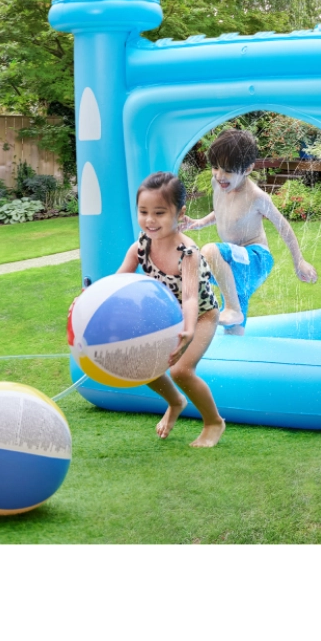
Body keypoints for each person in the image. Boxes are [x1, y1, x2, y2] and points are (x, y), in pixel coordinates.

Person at [115, 171, 225, 448]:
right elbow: (118, 284)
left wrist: (188, 329)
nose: (150, 220)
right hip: (166, 318)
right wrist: (91, 298)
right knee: (142, 365)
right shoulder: (141, 246)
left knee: (181, 371)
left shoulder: (188, 252)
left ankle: (214, 422)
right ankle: (175, 401)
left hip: (200, 315)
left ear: (180, 213)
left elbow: (189, 297)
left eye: (160, 212)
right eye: (143, 212)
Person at [181, 129, 318, 333]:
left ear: (247, 169)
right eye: (215, 167)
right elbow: (222, 212)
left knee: (209, 251)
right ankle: (228, 317)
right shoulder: (219, 184)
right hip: (232, 265)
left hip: (255, 260)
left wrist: (299, 261)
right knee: (187, 265)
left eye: (228, 170)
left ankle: (233, 308)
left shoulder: (256, 197)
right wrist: (199, 222)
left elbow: (283, 226)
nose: (220, 175)